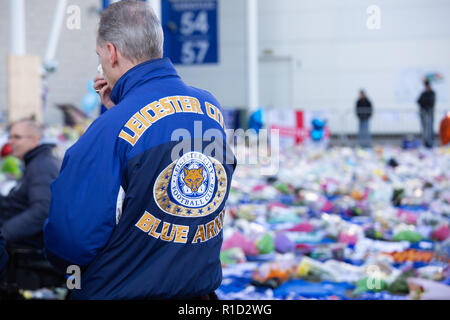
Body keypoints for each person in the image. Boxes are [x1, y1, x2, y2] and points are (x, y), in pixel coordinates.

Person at [44, 1, 236, 300]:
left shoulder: (109, 130)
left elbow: (72, 239)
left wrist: (113, 118)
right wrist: (118, 111)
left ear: (111, 52)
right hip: (198, 293)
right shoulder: (210, 108)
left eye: (99, 56)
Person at [0, 119, 60, 248]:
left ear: (35, 140)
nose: (10, 141)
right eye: (10, 136)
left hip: (28, 248)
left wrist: (4, 234)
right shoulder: (35, 161)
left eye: (17, 137)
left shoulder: (42, 165)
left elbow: (42, 210)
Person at [417, 80, 436, 148]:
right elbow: (418, 101)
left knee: (429, 128)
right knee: (424, 128)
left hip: (429, 113)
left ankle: (430, 143)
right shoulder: (423, 93)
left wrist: (424, 103)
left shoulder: (432, 93)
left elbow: (430, 102)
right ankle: (425, 142)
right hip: (423, 113)